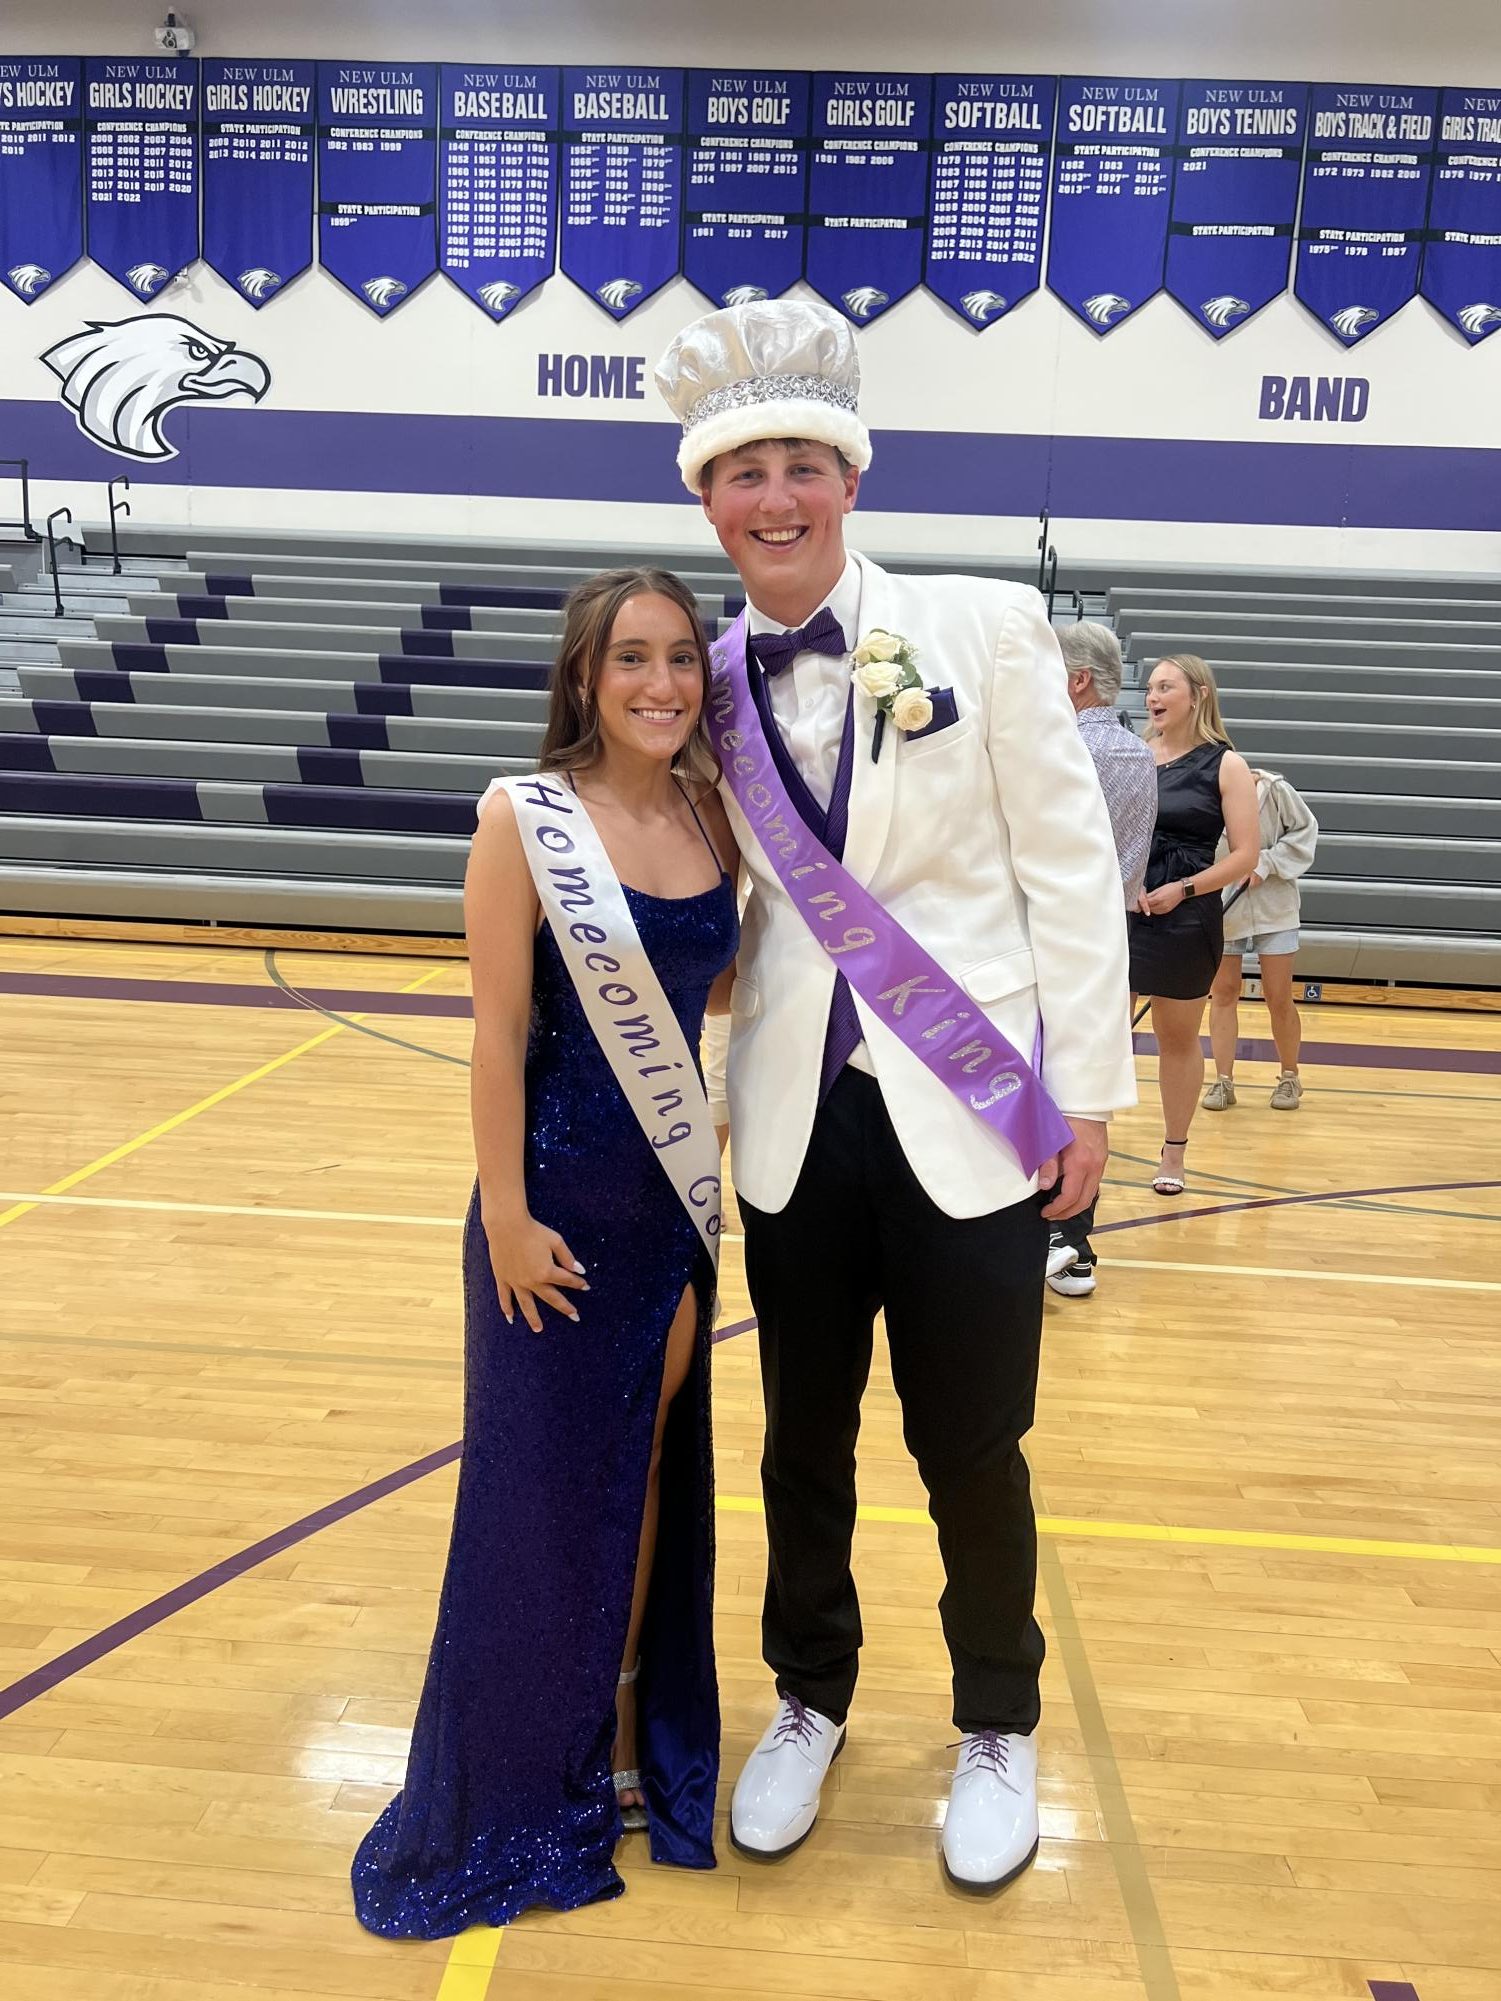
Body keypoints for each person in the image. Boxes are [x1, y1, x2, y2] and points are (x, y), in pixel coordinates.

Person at [654, 300, 1134, 1895]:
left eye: (800, 465)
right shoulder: (694, 681)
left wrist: (1086, 1095)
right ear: (706, 503)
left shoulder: (987, 628)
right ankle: (808, 1697)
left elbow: (1068, 872)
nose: (774, 497)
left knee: (973, 1443)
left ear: (848, 480)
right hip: (793, 1114)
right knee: (803, 1438)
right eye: (742, 474)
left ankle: (997, 1720)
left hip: (975, 1109)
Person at [352, 570, 739, 1938]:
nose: (659, 683)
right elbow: (500, 1032)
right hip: (553, 1216)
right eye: (630, 658)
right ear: (583, 675)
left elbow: (723, 991)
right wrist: (506, 1213)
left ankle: (619, 1737)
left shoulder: (711, 812)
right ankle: (518, 1771)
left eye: (682, 658)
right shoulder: (527, 820)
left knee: (636, 1480)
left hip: (669, 1217)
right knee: (534, 1501)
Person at [1046, 622, 1157, 1297]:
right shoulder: (1139, 754)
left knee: (1035, 1079)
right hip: (1108, 938)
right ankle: (1073, 1242)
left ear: (1076, 679)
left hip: (1047, 933)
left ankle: (1041, 1232)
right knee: (1084, 1090)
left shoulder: (1057, 748)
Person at [1128, 654, 1260, 1196]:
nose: (1153, 697)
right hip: (1123, 907)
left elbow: (1245, 856)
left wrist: (1182, 889)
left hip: (1187, 913)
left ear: (1197, 694)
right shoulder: (1131, 754)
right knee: (1100, 1031)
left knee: (1176, 1037)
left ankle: (1174, 1151)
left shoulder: (1226, 764)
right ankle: (1082, 1138)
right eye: (1150, 688)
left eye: (1166, 687)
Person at [1205, 768, 1319, 1112]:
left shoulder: (1275, 790)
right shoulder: (1205, 795)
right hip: (1225, 907)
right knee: (1223, 992)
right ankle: (1223, 1080)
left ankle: (1289, 1076)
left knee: (1278, 994)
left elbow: (1305, 832)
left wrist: (1265, 863)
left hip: (1276, 909)